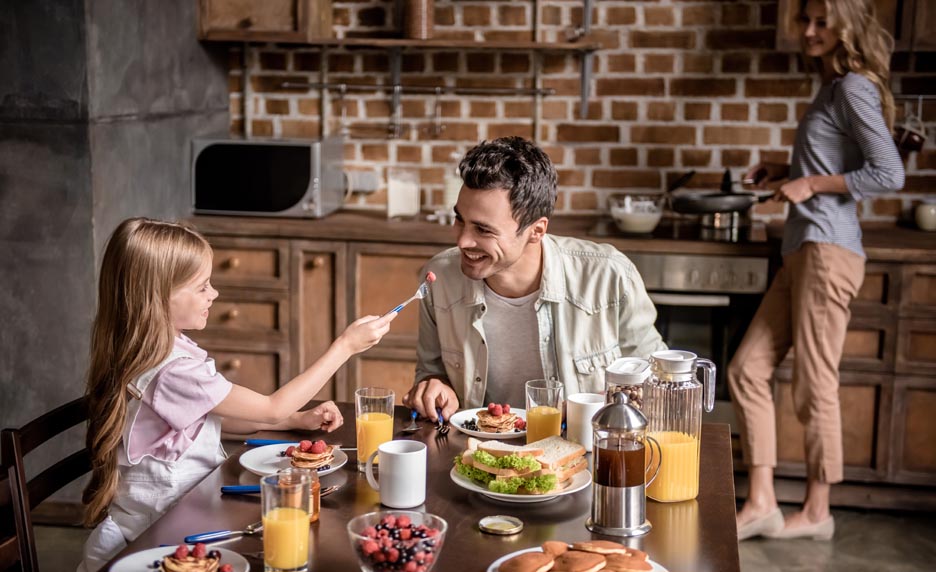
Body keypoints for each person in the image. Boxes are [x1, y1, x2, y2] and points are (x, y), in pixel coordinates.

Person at [79, 218, 396, 570]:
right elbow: (271, 409)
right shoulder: (173, 369)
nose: (213, 294)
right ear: (159, 296)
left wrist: (296, 419)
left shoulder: (151, 349)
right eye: (202, 287)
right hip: (161, 539)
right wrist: (344, 347)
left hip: (180, 516)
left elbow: (205, 417)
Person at [728, 0, 904, 541]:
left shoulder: (852, 86)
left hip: (829, 252)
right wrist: (787, 171)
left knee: (815, 382)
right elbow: (836, 165)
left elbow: (888, 172)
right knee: (746, 369)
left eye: (822, 22)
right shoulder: (831, 88)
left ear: (848, 24)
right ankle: (761, 501)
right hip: (804, 248)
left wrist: (810, 185)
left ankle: (818, 511)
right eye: (805, 20)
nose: (808, 30)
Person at [403, 136, 666, 421]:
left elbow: (658, 386)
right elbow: (430, 373)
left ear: (537, 231)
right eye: (460, 220)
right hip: (476, 453)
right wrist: (433, 387)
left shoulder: (609, 276)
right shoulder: (438, 278)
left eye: (483, 230)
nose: (463, 241)